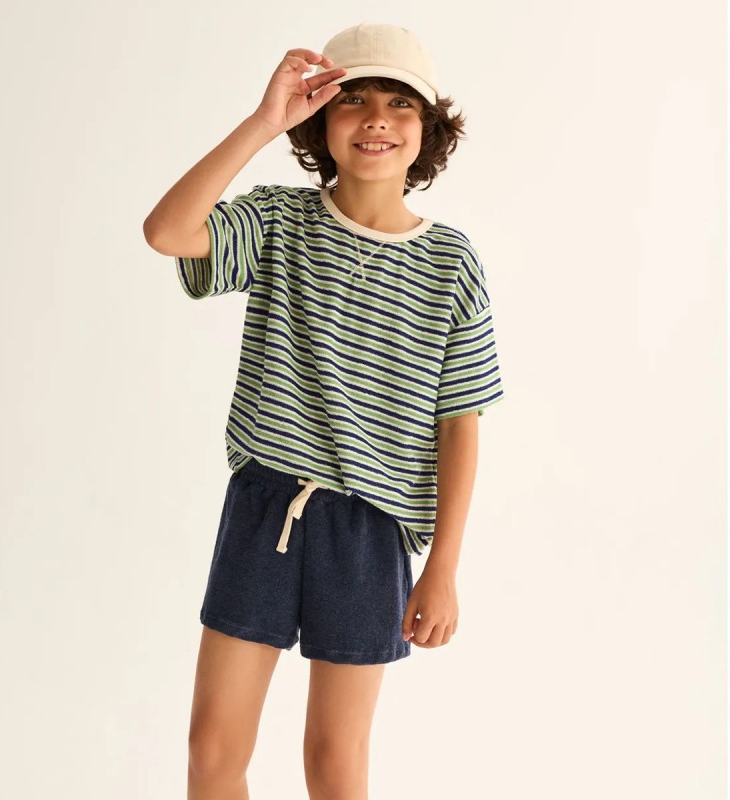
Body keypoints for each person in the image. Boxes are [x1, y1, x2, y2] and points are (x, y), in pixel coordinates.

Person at [144, 22, 505, 800]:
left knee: (335, 762)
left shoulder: (452, 264)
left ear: (428, 128)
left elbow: (460, 423)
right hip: (265, 507)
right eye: (354, 100)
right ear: (319, 118)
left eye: (399, 104)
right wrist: (261, 122)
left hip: (371, 531)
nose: (376, 119)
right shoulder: (278, 221)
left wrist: (443, 565)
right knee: (212, 751)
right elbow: (168, 231)